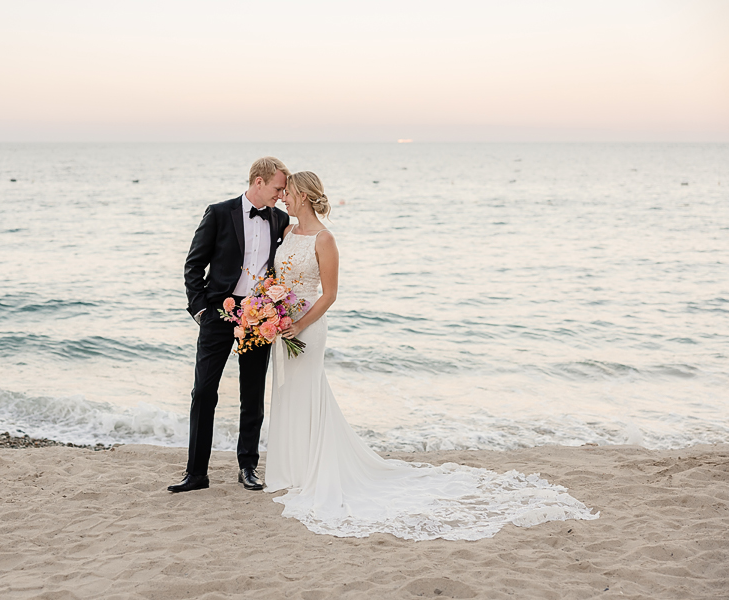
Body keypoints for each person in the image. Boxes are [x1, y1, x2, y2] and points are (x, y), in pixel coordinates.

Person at [264, 171, 599, 540]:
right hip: (283, 323)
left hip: (308, 327)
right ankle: (291, 470)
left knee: (308, 391)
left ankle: (314, 471)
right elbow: (277, 279)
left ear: (304, 196)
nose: (284, 198)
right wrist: (272, 313)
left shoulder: (325, 239)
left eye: (289, 193)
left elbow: (329, 294)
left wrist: (299, 324)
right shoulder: (287, 232)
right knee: (287, 391)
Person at [170, 157, 291, 493]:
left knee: (252, 394)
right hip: (218, 313)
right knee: (203, 392)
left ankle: (247, 467)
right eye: (278, 188)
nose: (281, 195)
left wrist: (275, 308)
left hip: (260, 315)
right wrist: (201, 311)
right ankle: (196, 473)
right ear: (258, 181)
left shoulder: (280, 219)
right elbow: (194, 265)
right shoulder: (219, 213)